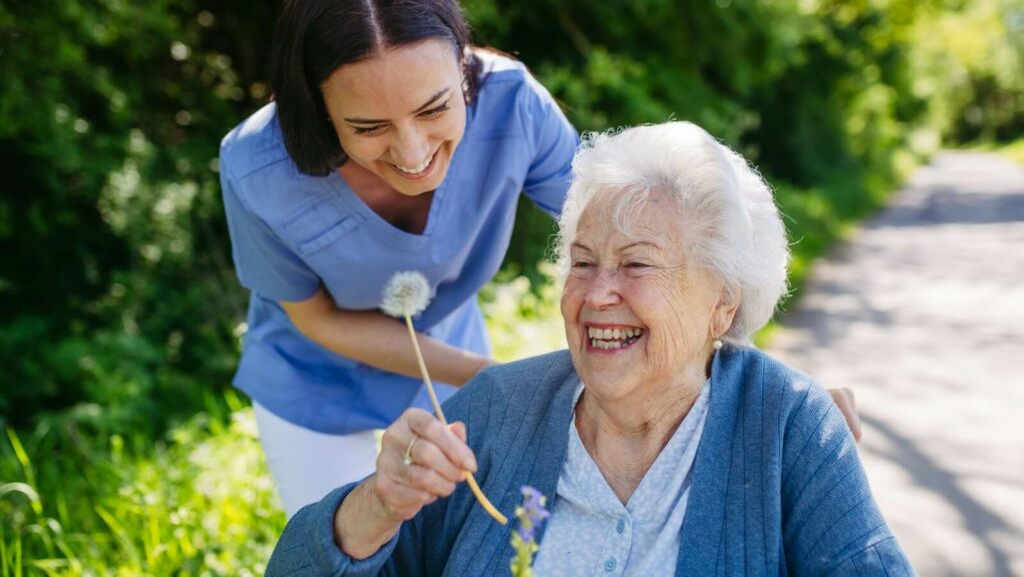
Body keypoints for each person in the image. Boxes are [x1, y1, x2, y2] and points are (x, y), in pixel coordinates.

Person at [220, 0, 861, 519]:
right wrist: (496, 381)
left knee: (468, 546)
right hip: (312, 383)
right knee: (351, 548)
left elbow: (665, 246)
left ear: (462, 63)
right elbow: (318, 320)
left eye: (435, 108)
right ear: (316, 105)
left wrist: (781, 393)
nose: (412, 153)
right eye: (368, 129)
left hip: (449, 348)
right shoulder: (255, 167)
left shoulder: (513, 104)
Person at [265, 122, 912, 576]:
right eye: (582, 262)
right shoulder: (491, 413)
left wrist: (793, 413)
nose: (597, 293)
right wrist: (377, 505)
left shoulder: (790, 428)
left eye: (636, 265)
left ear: (725, 301)